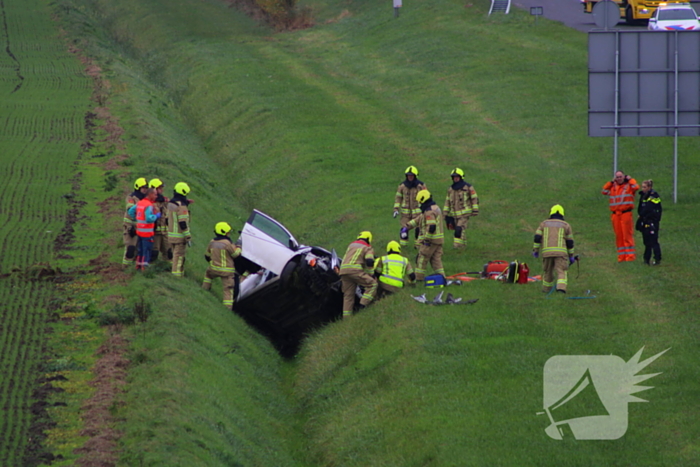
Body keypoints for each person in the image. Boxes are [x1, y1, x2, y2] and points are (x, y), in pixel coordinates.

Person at [401, 190, 445, 281]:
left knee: (422, 259)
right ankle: (442, 277)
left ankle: (418, 279)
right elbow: (419, 219)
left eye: (420, 202)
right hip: (438, 241)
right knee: (436, 260)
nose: (419, 204)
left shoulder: (429, 212)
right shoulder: (434, 208)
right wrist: (406, 227)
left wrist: (427, 240)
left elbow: (431, 226)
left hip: (431, 241)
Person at [532, 204, 575, 293]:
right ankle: (561, 289)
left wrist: (536, 251)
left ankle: (546, 290)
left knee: (547, 271)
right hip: (561, 253)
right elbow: (570, 242)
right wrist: (571, 256)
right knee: (561, 271)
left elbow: (537, 237)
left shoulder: (544, 224)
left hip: (546, 252)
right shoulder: (566, 225)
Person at [202, 222, 242, 310]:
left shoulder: (212, 242)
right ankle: (227, 308)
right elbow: (236, 255)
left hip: (213, 269)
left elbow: (207, 255)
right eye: (228, 232)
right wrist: (238, 246)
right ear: (225, 232)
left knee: (208, 275)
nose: (229, 233)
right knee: (228, 290)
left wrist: (212, 262)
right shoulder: (227, 243)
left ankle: (205, 289)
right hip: (227, 272)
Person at [602, 171, 639, 262]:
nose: (619, 178)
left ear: (624, 177)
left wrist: (630, 179)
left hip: (626, 213)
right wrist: (611, 182)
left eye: (620, 176)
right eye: (617, 177)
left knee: (627, 235)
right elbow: (604, 191)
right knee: (619, 236)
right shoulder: (613, 186)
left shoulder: (629, 186)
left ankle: (630, 257)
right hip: (615, 214)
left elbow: (636, 187)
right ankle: (621, 257)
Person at [339, 231, 377, 319]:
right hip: (354, 270)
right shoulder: (367, 248)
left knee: (348, 296)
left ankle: (346, 319)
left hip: (343, 271)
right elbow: (369, 261)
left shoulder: (351, 246)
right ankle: (362, 307)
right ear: (368, 239)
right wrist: (371, 275)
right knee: (373, 285)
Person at [442, 167, 479, 250]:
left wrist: (475, 209)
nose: (455, 179)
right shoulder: (451, 189)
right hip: (454, 214)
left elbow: (474, 198)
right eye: (454, 177)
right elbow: (447, 201)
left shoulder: (468, 187)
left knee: (459, 229)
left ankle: (456, 246)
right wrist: (445, 213)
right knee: (460, 229)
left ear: (461, 177)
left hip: (465, 213)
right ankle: (463, 245)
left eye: (457, 177)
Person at [393, 166, 427, 248]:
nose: (410, 177)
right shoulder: (402, 186)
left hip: (418, 212)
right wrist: (396, 209)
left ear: (415, 176)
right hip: (405, 213)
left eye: (412, 175)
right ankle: (403, 247)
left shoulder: (421, 185)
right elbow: (398, 198)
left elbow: (426, 197)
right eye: (408, 175)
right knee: (404, 230)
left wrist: (425, 208)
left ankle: (418, 245)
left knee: (418, 230)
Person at [127, 188, 161, 270]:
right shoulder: (149, 205)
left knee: (140, 250)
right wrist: (156, 216)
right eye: (155, 194)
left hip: (139, 231)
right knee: (147, 250)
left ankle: (138, 266)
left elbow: (130, 211)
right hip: (147, 233)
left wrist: (137, 219)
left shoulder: (140, 203)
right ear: (150, 194)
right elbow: (149, 218)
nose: (156, 196)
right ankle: (144, 268)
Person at [167, 182, 192, 277]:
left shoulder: (171, 204)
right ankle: (176, 277)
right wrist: (188, 237)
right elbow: (183, 223)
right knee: (179, 257)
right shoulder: (182, 206)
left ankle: (176, 274)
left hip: (171, 235)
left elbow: (166, 219)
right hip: (180, 237)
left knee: (174, 256)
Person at [122, 177, 148, 266]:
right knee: (130, 248)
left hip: (143, 227)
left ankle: (135, 270)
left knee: (139, 250)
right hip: (131, 226)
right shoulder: (131, 197)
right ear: (138, 187)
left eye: (146, 188)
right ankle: (125, 268)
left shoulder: (147, 199)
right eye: (143, 188)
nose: (145, 190)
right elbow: (130, 209)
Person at [636, 179, 662, 266]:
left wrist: (641, 215)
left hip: (652, 221)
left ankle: (657, 259)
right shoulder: (643, 195)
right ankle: (646, 260)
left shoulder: (653, 196)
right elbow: (641, 207)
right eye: (642, 187)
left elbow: (649, 208)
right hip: (645, 221)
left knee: (653, 241)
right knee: (646, 242)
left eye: (644, 187)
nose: (643, 189)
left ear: (649, 187)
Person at [148, 178, 171, 262]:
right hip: (154, 233)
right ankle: (151, 271)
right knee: (154, 253)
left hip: (165, 232)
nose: (162, 190)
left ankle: (168, 270)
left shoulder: (165, 200)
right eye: (160, 188)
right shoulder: (149, 202)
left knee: (169, 252)